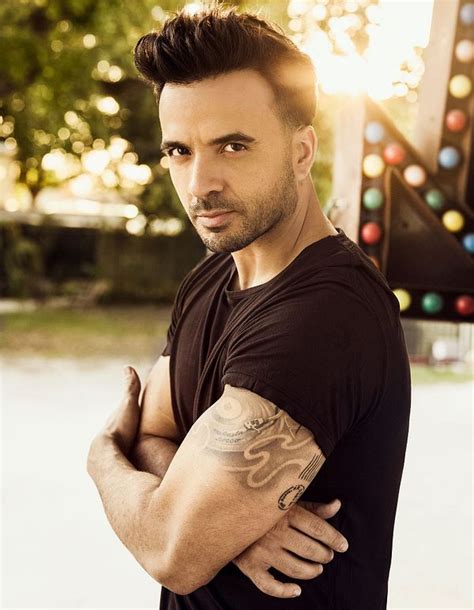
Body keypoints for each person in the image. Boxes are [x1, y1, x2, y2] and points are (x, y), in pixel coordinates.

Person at [87, 5, 411, 609]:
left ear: (301, 151)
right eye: (180, 151)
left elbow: (172, 552)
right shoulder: (212, 276)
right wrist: (234, 528)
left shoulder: (325, 317)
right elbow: (156, 431)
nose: (199, 183)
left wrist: (102, 456)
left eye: (232, 146)